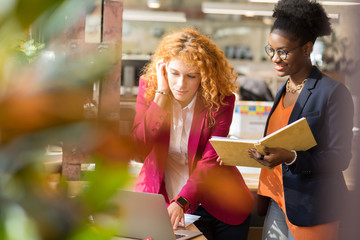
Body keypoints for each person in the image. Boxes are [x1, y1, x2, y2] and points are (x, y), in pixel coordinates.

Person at [131, 28, 254, 240]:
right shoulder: (150, 89)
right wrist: (161, 95)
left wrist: (183, 201)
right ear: (163, 69)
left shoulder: (221, 100)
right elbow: (139, 147)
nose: (180, 84)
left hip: (220, 204)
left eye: (191, 76)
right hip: (165, 202)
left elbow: (210, 160)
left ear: (204, 76)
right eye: (174, 73)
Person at [245, 0, 354, 239]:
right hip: (277, 200)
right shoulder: (282, 89)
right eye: (270, 50)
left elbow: (340, 157)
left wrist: (291, 157)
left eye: (283, 51)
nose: (275, 58)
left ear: (307, 49)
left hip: (312, 207)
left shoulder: (333, 92)